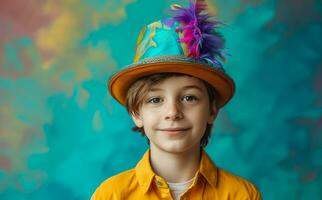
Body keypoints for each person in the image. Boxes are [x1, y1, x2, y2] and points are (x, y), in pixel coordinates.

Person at [91, 1, 262, 199]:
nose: (172, 112)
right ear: (136, 114)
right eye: (155, 100)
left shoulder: (241, 195)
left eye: (189, 97)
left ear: (212, 110)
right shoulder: (111, 194)